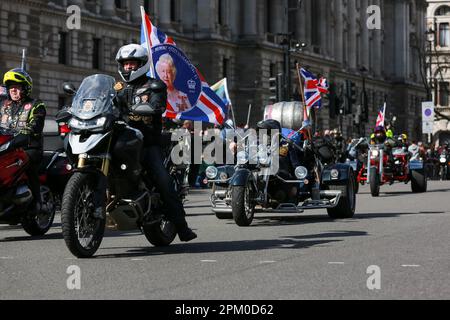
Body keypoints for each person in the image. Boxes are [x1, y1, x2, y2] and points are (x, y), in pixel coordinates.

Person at [115, 43, 196, 242]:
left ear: (141, 64)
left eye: (132, 64)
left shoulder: (155, 86)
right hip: (120, 138)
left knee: (163, 180)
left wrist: (149, 108)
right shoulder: (117, 87)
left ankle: (181, 226)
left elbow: (157, 106)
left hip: (147, 142)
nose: (128, 68)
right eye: (125, 65)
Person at [0, 68, 46, 213]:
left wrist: (25, 134)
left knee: (26, 162)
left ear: (25, 88)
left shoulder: (36, 105)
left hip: (29, 147)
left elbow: (36, 126)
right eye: (11, 87)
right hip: (7, 146)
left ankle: (38, 203)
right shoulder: (3, 106)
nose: (13, 90)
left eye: (17, 86)